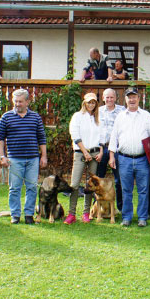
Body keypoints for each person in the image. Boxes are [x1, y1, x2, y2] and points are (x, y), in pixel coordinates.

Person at [108, 87, 150, 227]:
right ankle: (127, 217)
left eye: (134, 97)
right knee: (126, 190)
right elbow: (114, 136)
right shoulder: (120, 116)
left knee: (143, 190)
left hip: (142, 159)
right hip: (124, 159)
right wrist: (111, 156)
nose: (132, 99)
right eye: (129, 97)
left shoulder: (146, 116)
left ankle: (142, 217)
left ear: (138, 98)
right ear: (125, 99)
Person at [0, 89, 47, 224]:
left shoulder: (35, 117)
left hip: (33, 159)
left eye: (20, 101)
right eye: (15, 101)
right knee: (14, 188)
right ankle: (15, 215)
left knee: (32, 187)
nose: (17, 104)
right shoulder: (6, 117)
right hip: (14, 159)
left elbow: (42, 138)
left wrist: (44, 156)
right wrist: (2, 156)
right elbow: (0, 138)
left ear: (27, 102)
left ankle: (29, 215)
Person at [64, 92, 104, 225]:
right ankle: (71, 213)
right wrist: (84, 152)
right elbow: (75, 134)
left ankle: (86, 213)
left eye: (93, 102)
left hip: (94, 153)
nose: (91, 105)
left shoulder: (98, 118)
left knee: (90, 184)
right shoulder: (78, 116)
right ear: (84, 103)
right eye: (89, 102)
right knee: (75, 184)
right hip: (80, 153)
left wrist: (101, 151)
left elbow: (102, 136)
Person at [96, 88, 124, 212]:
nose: (109, 99)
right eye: (107, 97)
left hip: (116, 149)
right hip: (101, 148)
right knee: (98, 179)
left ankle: (120, 208)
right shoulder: (98, 111)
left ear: (115, 98)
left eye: (111, 97)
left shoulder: (122, 111)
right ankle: (97, 207)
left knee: (119, 180)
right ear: (103, 98)